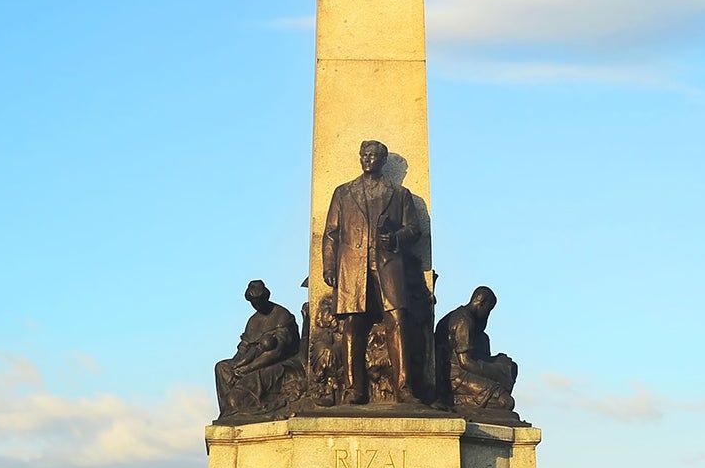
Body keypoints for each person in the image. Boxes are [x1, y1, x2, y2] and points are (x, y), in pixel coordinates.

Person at [321, 140, 423, 404]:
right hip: (353, 266)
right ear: (359, 157)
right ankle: (354, 388)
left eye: (374, 155)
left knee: (397, 319)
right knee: (352, 323)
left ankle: (404, 387)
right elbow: (331, 233)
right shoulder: (343, 192)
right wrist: (330, 266)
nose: (368, 159)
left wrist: (397, 238)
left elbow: (414, 228)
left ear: (383, 160)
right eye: (365, 155)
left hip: (388, 264)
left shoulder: (400, 194)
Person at [214, 279, 304, 418]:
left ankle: (241, 406)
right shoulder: (253, 320)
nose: (256, 305)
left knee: (238, 394)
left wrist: (248, 368)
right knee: (221, 367)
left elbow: (277, 352)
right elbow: (244, 347)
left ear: (266, 297)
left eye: (258, 301)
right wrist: (235, 364)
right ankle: (230, 411)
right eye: (253, 303)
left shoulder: (282, 315)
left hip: (279, 364)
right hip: (252, 360)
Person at [434, 286, 518, 416]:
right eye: (488, 310)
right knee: (505, 402)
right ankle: (456, 401)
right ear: (481, 303)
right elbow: (465, 362)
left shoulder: (470, 322)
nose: (488, 315)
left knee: (510, 366)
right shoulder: (464, 320)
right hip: (455, 377)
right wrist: (498, 375)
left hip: (464, 371)